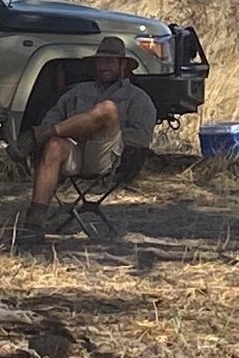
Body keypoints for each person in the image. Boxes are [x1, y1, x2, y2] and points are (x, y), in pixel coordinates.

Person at [16, 35, 156, 239]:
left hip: (108, 155)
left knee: (107, 109)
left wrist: (100, 128)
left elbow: (142, 138)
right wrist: (73, 129)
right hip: (74, 152)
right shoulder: (76, 92)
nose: (104, 66)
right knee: (54, 144)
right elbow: (50, 118)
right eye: (101, 61)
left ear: (122, 65)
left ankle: (35, 137)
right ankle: (34, 223)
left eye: (110, 61)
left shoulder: (138, 98)